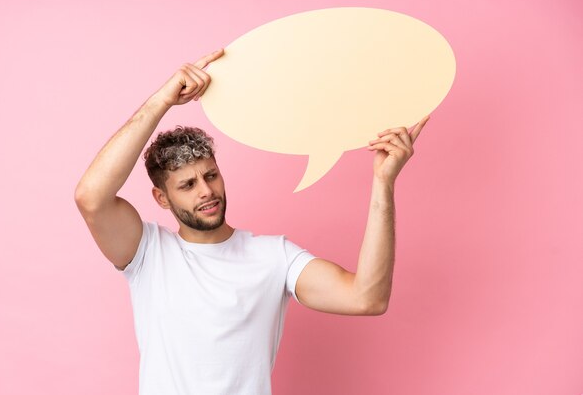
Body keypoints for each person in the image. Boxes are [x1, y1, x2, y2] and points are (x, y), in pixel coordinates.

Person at [74, 48, 429, 395]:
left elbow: (367, 298)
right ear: (162, 198)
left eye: (210, 176)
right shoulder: (148, 254)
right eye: (187, 185)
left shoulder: (274, 256)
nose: (205, 191)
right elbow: (91, 197)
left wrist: (383, 182)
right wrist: (161, 101)